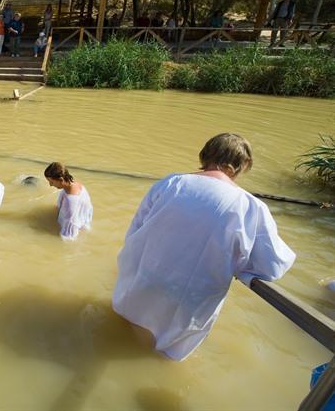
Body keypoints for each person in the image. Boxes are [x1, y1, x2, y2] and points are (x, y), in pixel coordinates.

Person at [112, 133, 296, 361]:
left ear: (205, 154)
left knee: (128, 323)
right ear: (239, 166)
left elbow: (135, 230)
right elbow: (272, 266)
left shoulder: (171, 183)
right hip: (190, 296)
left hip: (146, 277)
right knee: (164, 352)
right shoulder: (250, 206)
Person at [43, 162, 92, 241]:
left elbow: (70, 236)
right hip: (83, 225)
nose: (50, 185)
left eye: (51, 182)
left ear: (61, 180)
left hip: (73, 233)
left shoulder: (71, 201)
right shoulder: (77, 185)